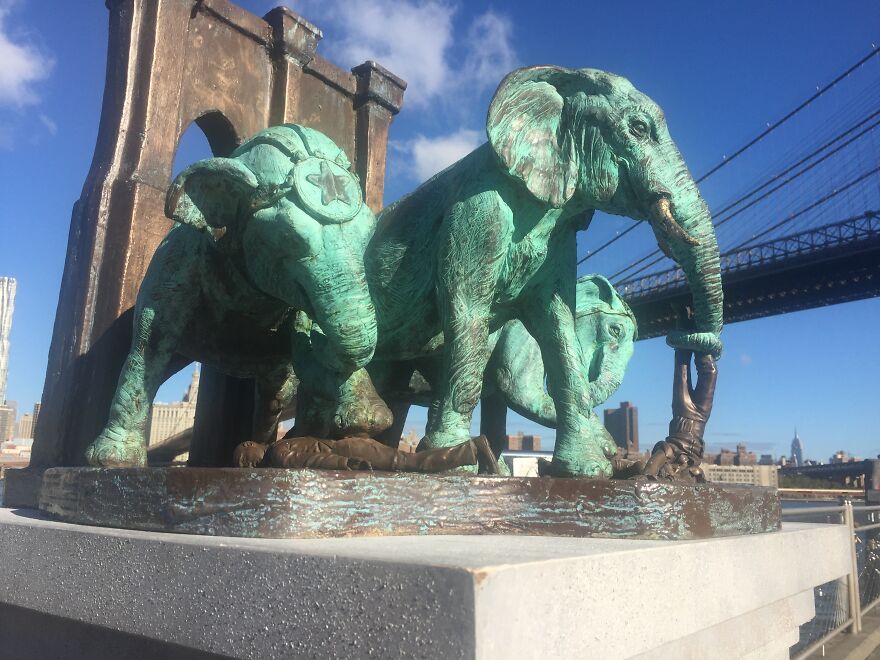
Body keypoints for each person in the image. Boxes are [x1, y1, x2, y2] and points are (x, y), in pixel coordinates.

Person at [233, 434, 501, 474]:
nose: (249, 466)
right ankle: (473, 453)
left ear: (249, 444)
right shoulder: (285, 442)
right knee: (410, 463)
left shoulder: (279, 455)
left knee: (413, 463)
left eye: (246, 460)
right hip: (353, 445)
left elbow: (313, 460)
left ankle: (472, 449)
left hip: (352, 452)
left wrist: (345, 463)